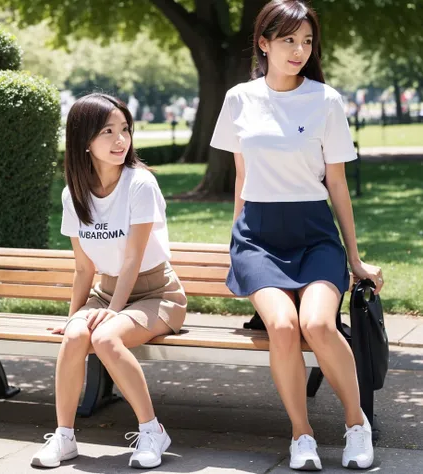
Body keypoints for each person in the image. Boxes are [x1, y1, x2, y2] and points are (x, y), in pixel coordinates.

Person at [210, 0, 383, 471]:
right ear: (263, 43)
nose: (299, 50)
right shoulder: (238, 98)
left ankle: (355, 424)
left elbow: (337, 184)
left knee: (319, 326)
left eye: (307, 41)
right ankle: (301, 435)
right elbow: (241, 178)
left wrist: (355, 258)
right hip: (258, 238)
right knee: (283, 328)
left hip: (314, 234)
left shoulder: (325, 100)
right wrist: (238, 240)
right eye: (288, 40)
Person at [31, 93, 187, 469]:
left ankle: (152, 431)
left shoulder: (140, 184)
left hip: (157, 293)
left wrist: (114, 311)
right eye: (108, 132)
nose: (121, 140)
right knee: (76, 336)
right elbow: (84, 268)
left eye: (125, 130)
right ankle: (64, 437)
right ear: (84, 141)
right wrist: (75, 317)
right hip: (106, 292)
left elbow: (133, 258)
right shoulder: (75, 195)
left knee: (105, 336)